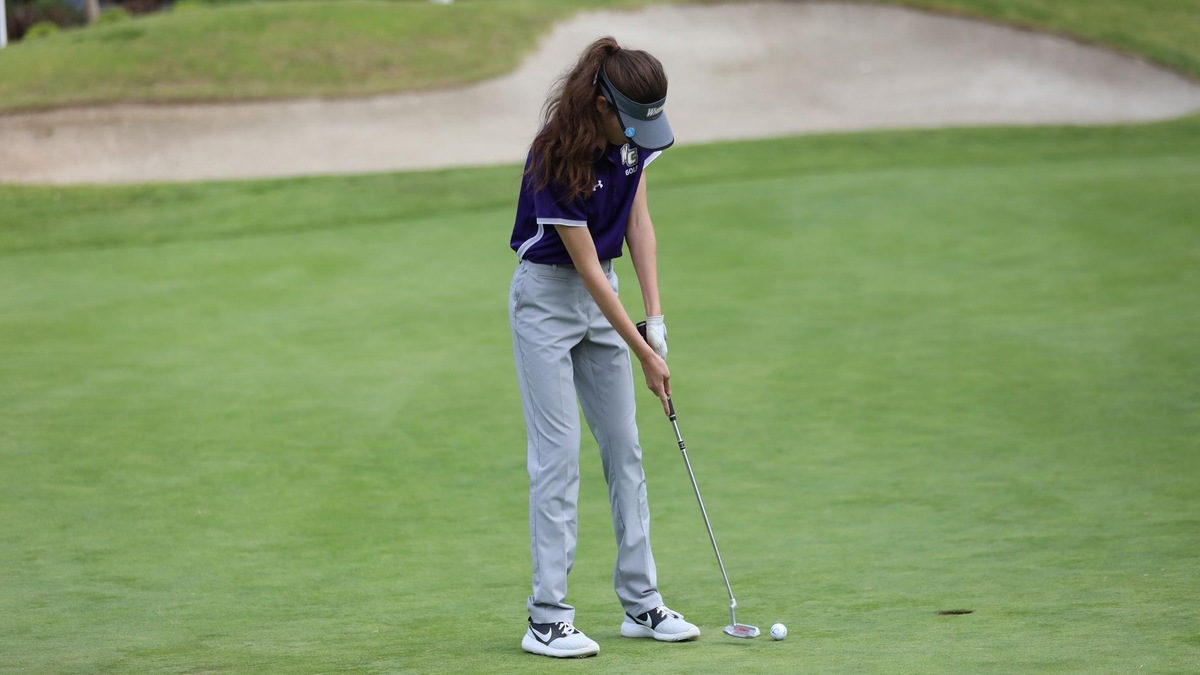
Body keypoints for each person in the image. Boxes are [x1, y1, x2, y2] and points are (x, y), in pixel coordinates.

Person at [508, 36, 700, 658]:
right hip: (547, 299)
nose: (638, 136)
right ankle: (547, 618)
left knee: (625, 448)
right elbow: (585, 265)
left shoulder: (631, 145)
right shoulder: (553, 156)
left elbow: (639, 225)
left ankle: (642, 603)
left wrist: (655, 319)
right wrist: (642, 352)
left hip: (605, 295)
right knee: (558, 457)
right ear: (599, 104)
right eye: (630, 121)